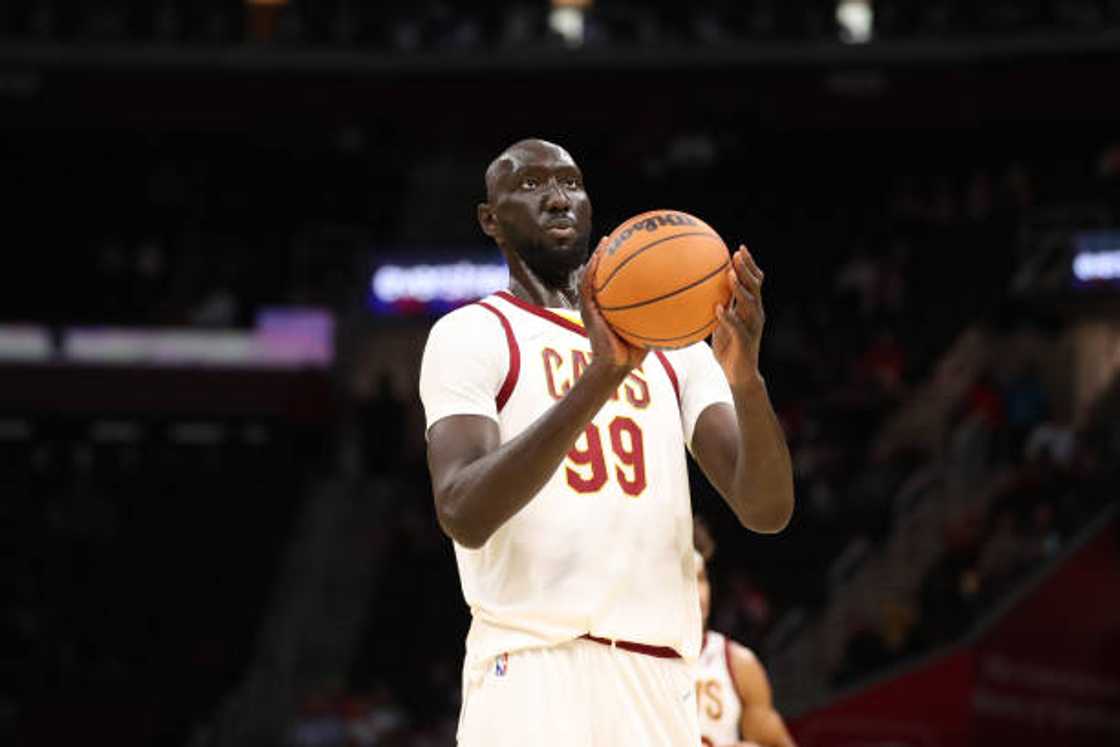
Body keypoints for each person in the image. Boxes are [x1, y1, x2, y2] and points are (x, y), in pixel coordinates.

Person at [418, 138, 794, 746]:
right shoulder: (472, 334)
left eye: (569, 182)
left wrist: (746, 379)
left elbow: (767, 510)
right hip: (534, 667)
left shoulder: (677, 346)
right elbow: (463, 512)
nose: (557, 196)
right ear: (491, 220)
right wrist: (601, 378)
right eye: (531, 185)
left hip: (659, 676)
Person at [694, 518, 797, 747]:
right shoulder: (630, 663)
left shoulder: (737, 663)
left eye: (700, 579)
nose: (697, 593)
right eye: (684, 581)